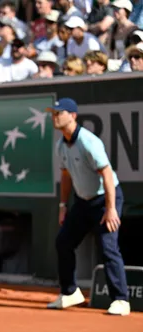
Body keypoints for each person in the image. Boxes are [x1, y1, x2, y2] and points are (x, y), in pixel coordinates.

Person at [46, 98, 130, 316]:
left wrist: (111, 208)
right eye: (53, 113)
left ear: (73, 115)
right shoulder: (60, 145)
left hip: (105, 200)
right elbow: (65, 176)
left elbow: (107, 174)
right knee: (63, 242)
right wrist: (63, 205)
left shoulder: (88, 142)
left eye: (59, 112)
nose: (55, 116)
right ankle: (70, 293)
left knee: (107, 247)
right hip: (83, 202)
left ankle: (121, 300)